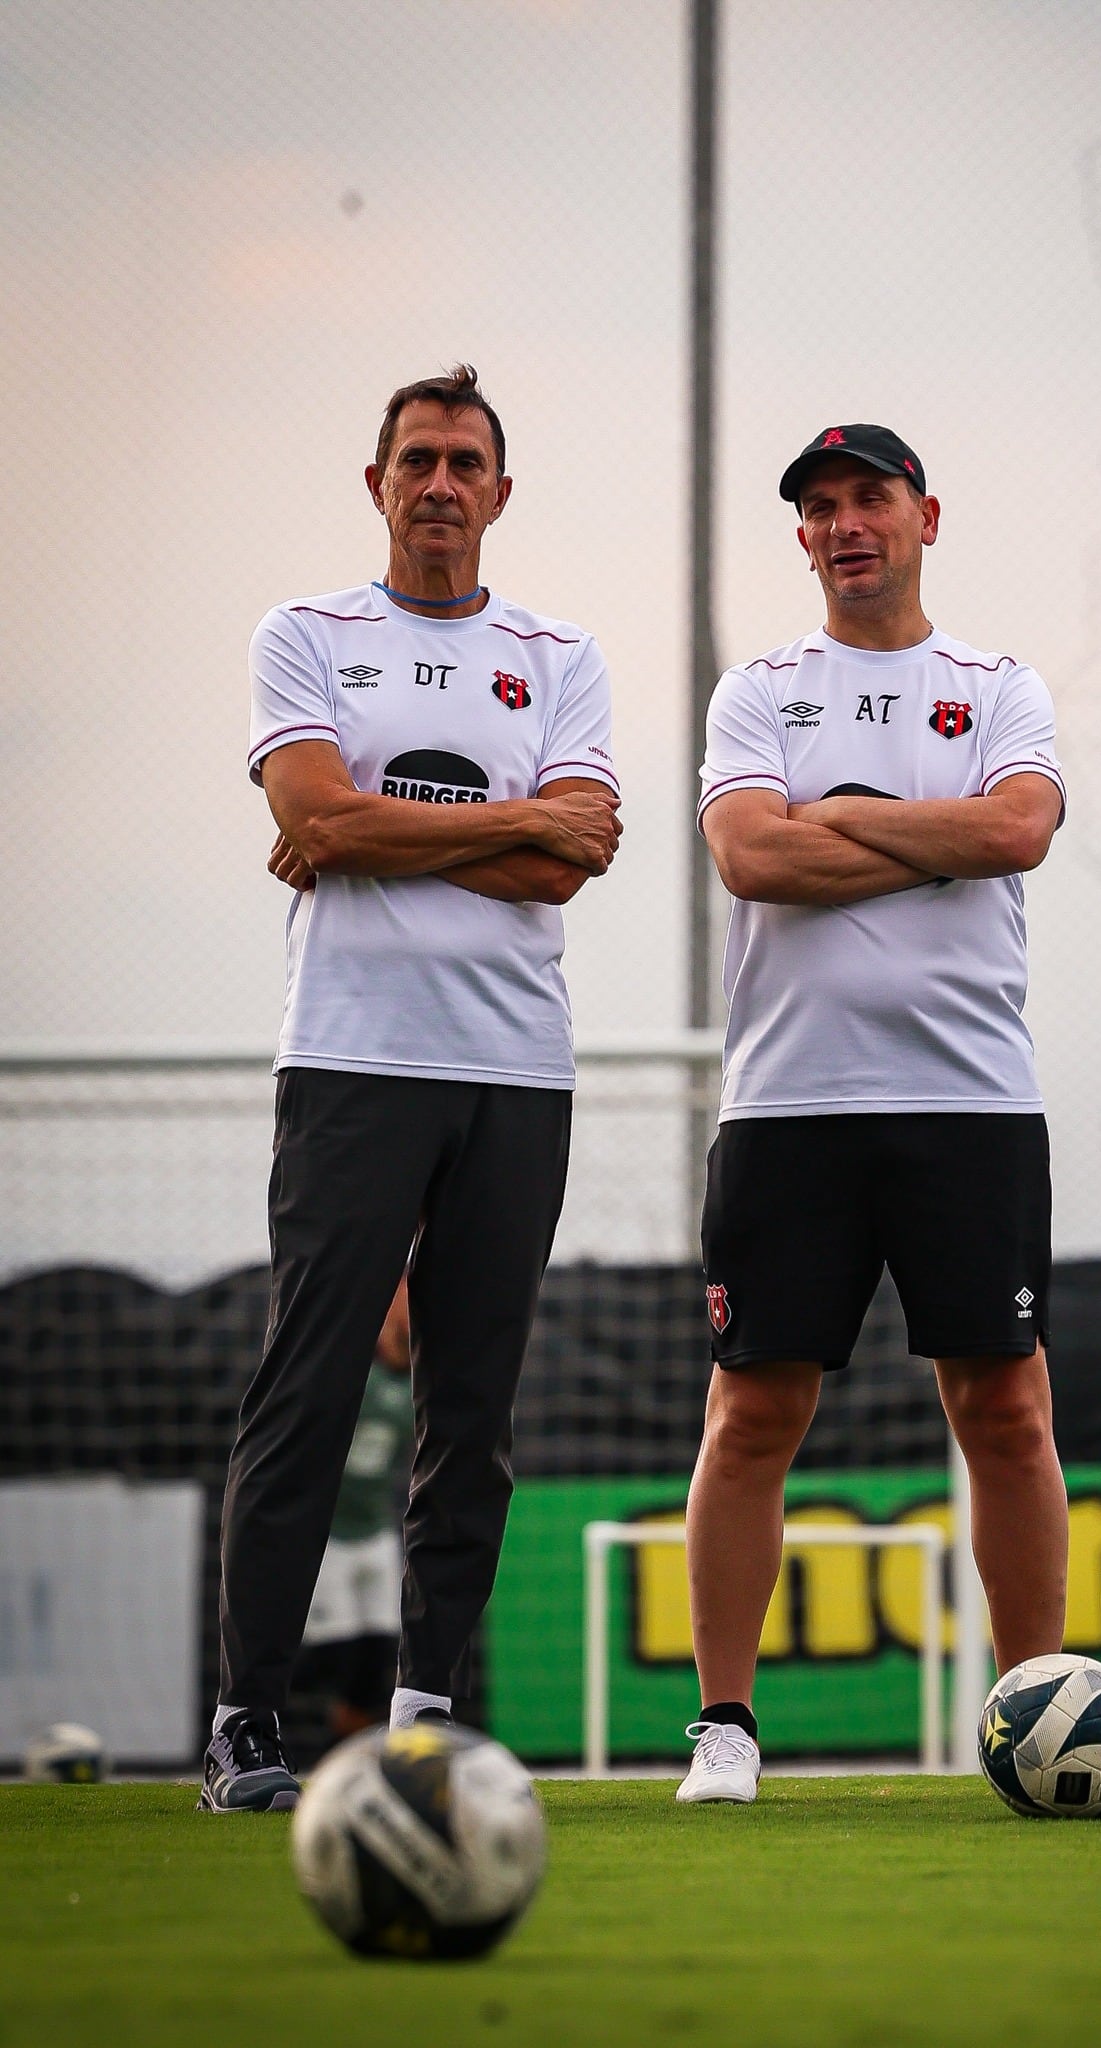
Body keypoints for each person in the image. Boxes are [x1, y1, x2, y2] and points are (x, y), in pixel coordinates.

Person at [200, 366, 621, 1813]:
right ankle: (247, 1724)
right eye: (417, 460)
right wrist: (477, 822)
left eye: (466, 463)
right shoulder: (304, 635)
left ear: (501, 493)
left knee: (470, 1412)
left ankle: (425, 1717)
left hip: (514, 1069)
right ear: (375, 482)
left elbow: (575, 860)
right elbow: (317, 810)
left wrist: (373, 830)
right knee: (305, 1392)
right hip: (352, 1061)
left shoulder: (558, 654)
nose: (440, 484)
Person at [679, 423, 1070, 1804]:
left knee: (1005, 1411)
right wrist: (926, 829)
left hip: (970, 1101)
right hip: (787, 1104)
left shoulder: (998, 683)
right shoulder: (758, 691)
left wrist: (833, 823)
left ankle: (1036, 1713)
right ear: (801, 536)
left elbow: (1017, 833)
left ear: (926, 516)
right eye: (822, 506)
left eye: (871, 499)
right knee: (752, 1414)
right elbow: (746, 853)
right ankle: (724, 1725)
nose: (847, 523)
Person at [291, 1274, 414, 1746]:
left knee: (382, 1652)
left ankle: (356, 1753)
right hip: (330, 1535)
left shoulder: (417, 1386)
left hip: (376, 1530)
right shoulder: (351, 1375)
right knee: (331, 1656)